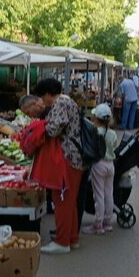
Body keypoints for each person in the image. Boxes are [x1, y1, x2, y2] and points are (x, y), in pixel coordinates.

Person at [34, 78, 84, 255]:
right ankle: (72, 238)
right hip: (76, 158)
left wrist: (38, 127)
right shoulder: (68, 100)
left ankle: (62, 242)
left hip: (67, 157)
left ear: (48, 94)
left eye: (42, 97)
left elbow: (53, 129)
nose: (42, 101)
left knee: (61, 200)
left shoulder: (60, 103)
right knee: (70, 201)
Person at [83, 104, 118, 235]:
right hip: (110, 165)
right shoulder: (113, 134)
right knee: (109, 193)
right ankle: (107, 221)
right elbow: (114, 146)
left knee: (99, 195)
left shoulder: (95, 132)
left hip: (99, 164)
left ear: (96, 119)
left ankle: (98, 223)